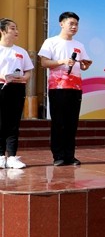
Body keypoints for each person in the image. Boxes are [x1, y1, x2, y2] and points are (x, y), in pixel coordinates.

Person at [38, 11, 92, 166]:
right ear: (62, 24)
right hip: (57, 87)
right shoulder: (51, 42)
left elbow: (83, 64)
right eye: (71, 23)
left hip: (75, 87)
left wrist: (85, 64)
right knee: (59, 122)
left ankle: (70, 155)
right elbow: (44, 63)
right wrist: (62, 61)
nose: (74, 27)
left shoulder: (79, 45)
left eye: (76, 24)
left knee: (72, 122)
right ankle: (58, 156)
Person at [0, 18, 34, 169]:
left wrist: (23, 78)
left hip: (17, 88)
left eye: (16, 28)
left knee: (13, 122)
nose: (16, 31)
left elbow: (28, 72)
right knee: (1, 122)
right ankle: (1, 155)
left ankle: (12, 156)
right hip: (1, 86)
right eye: (12, 28)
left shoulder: (21, 51)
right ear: (2, 31)